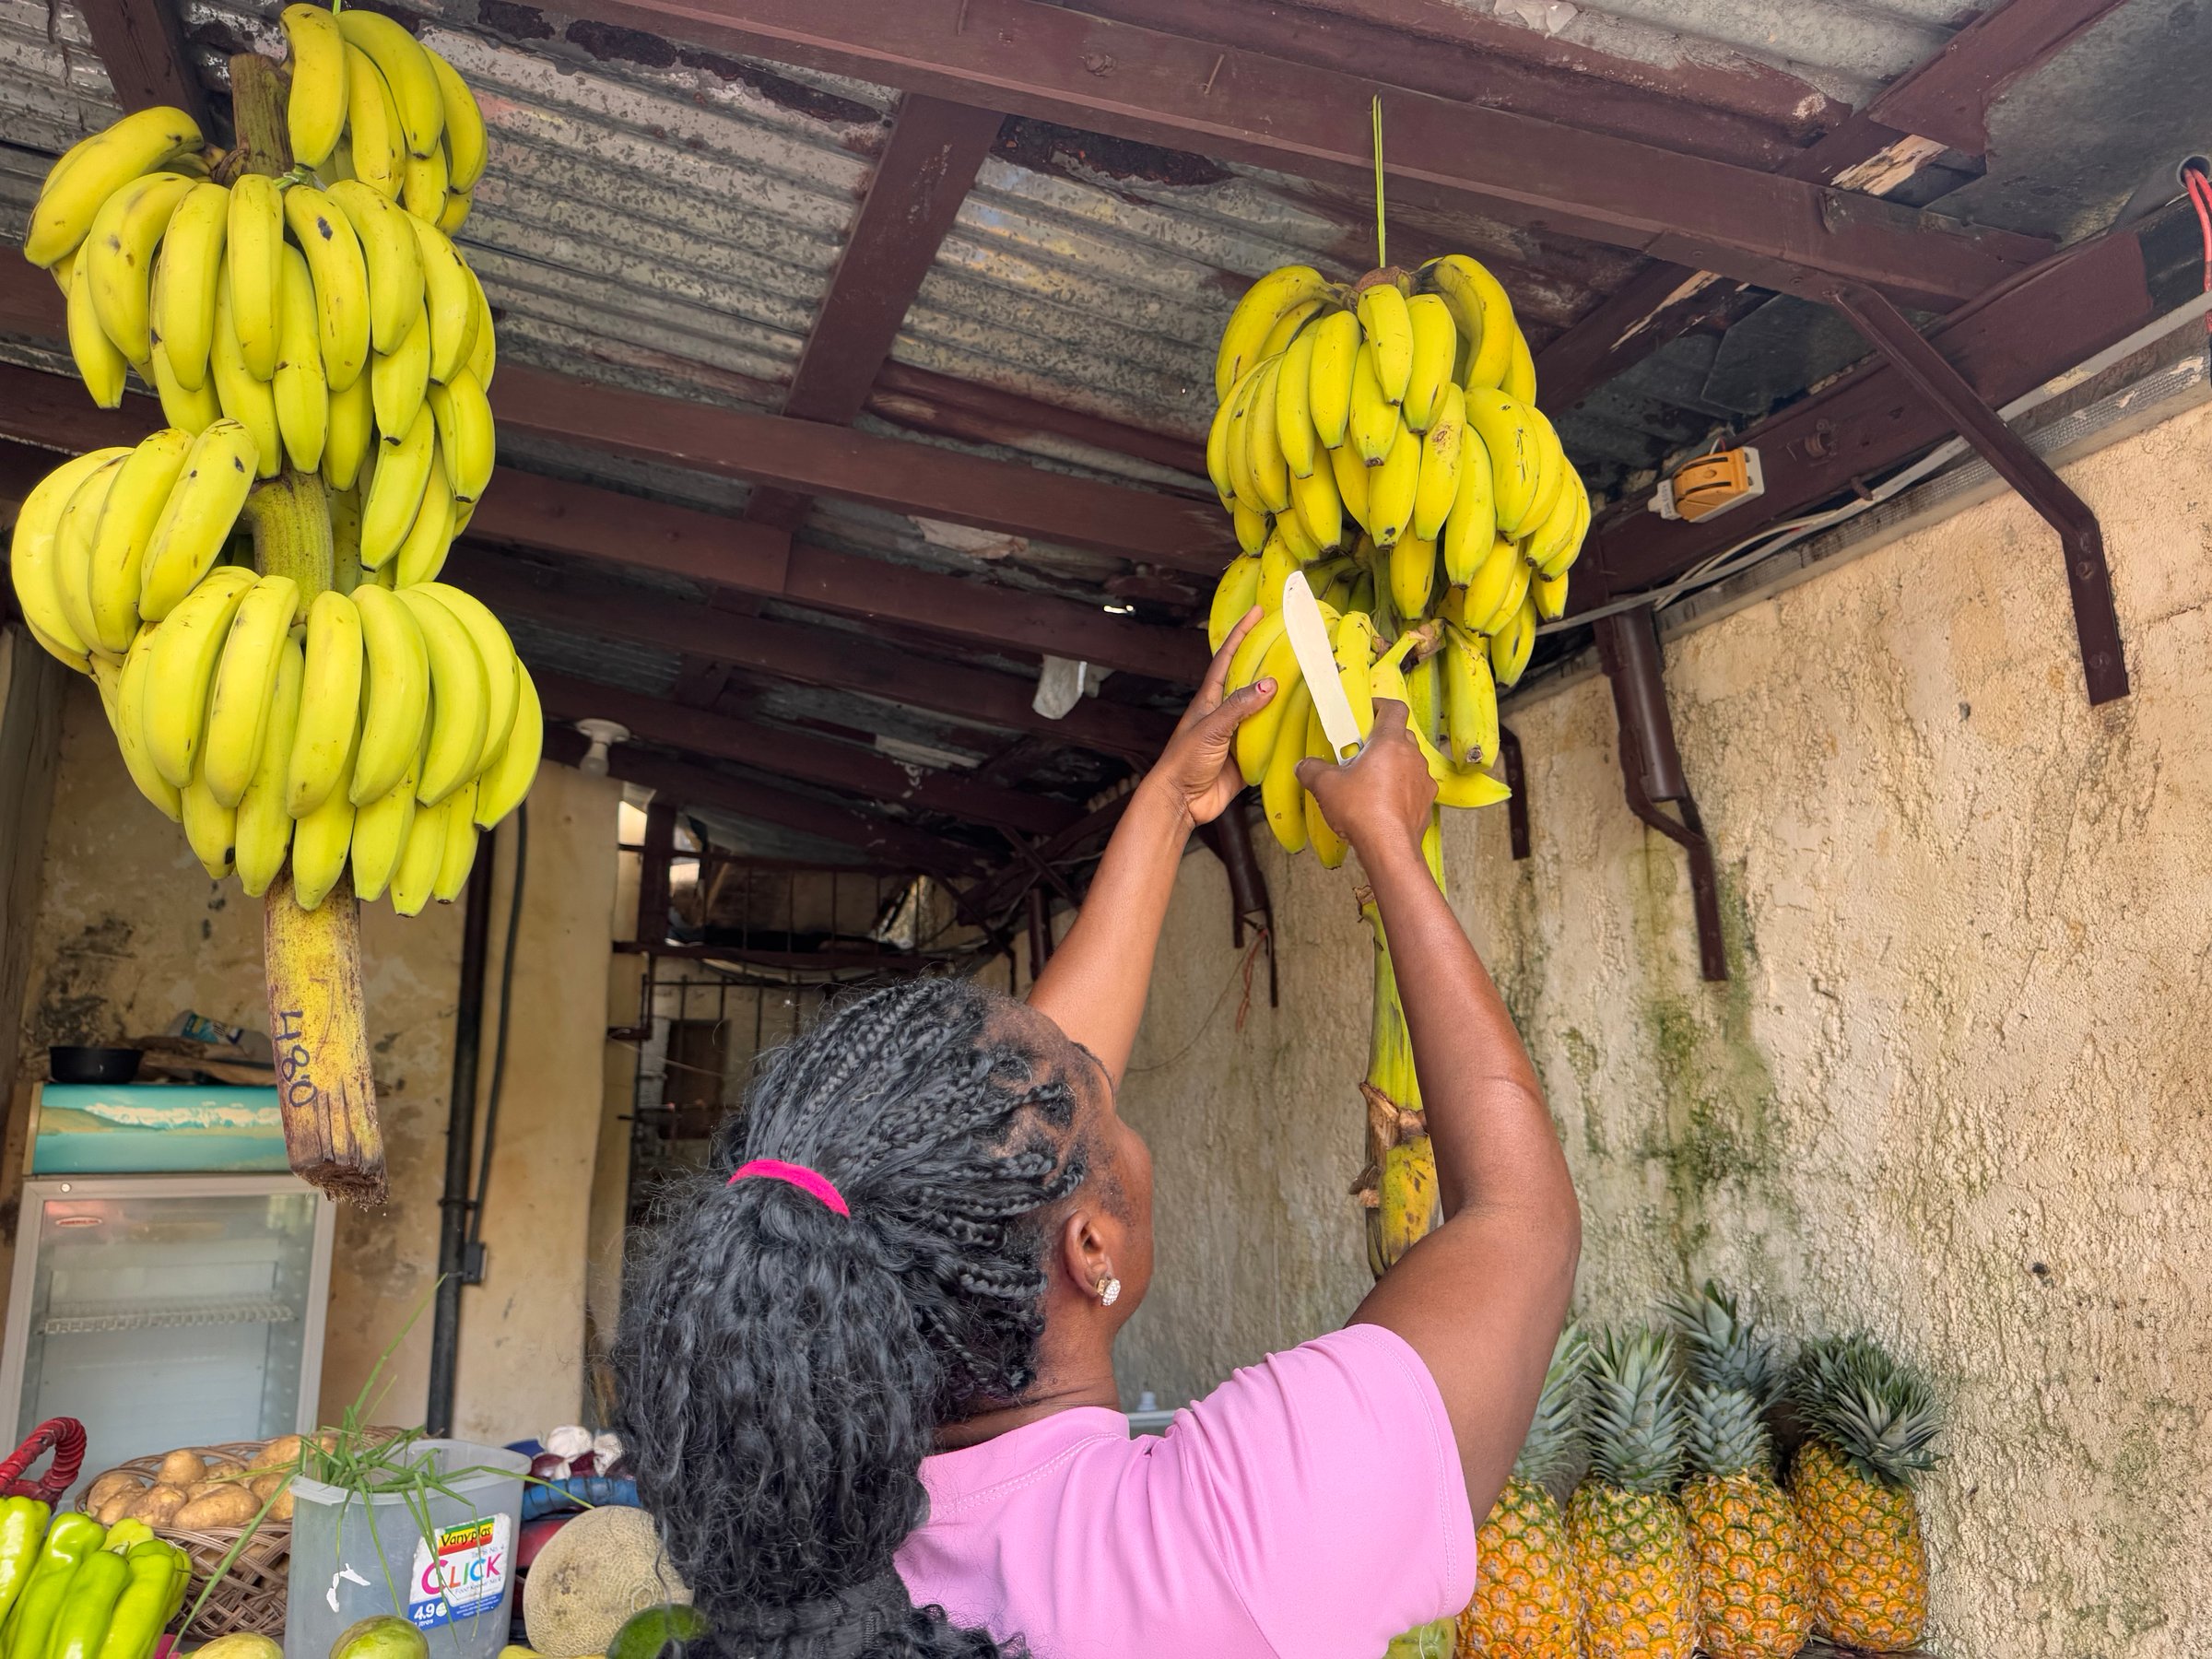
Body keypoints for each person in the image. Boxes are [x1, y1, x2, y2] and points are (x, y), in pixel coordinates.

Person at [613, 607, 1582, 1659]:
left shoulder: (813, 1540)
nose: (1096, 1074)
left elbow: (1010, 1143)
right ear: (1090, 1253)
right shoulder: (1229, 1545)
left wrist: (1168, 805)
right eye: (1100, 1101)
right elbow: (1518, 1220)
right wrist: (1393, 844)